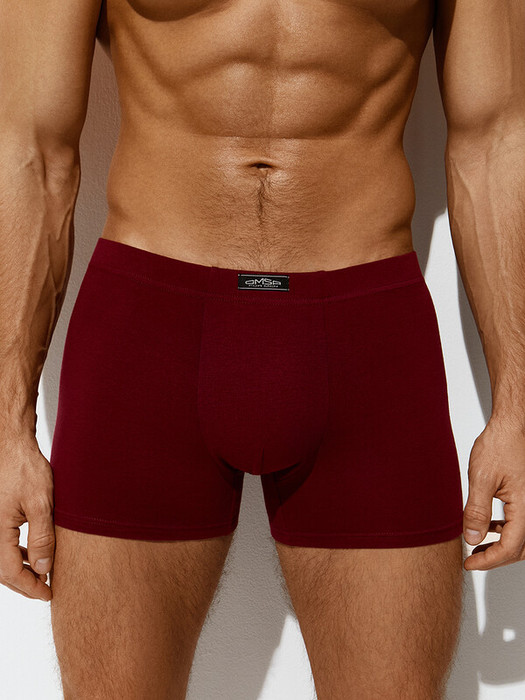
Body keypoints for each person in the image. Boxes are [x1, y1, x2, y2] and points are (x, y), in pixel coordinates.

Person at [1, 0, 524, 697]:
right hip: (146, 335)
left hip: (367, 337)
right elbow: (31, 147)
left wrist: (517, 409)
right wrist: (6, 426)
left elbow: (496, 138)